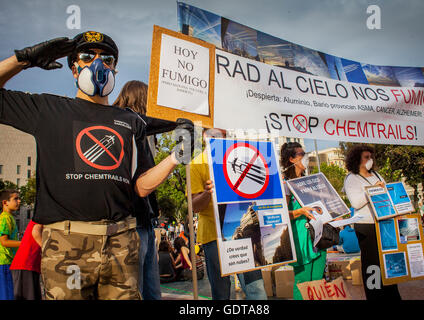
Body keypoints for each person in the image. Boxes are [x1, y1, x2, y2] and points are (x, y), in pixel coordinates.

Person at [0, 31, 194, 299]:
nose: (98, 64)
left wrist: (176, 156)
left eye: (107, 58)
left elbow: (139, 186)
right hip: (66, 246)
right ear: (73, 68)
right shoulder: (48, 109)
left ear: (114, 67)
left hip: (121, 243)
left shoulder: (131, 121)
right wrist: (23, 60)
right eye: (87, 56)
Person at [113, 80, 178, 300]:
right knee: (137, 288)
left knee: (151, 289)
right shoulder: (126, 125)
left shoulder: (142, 130)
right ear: (141, 98)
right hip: (132, 222)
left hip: (145, 221)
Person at [190, 128, 267, 300]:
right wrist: (207, 193)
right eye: (210, 134)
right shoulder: (196, 164)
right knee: (221, 292)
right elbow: (195, 207)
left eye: (220, 134)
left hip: (243, 233)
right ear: (203, 136)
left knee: (256, 290)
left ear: (225, 136)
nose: (215, 138)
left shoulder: (241, 158)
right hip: (213, 236)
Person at [343, 145, 401, 300]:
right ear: (357, 159)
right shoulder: (351, 178)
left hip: (384, 222)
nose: (370, 160)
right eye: (366, 157)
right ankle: (375, 295)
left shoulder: (377, 174)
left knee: (387, 260)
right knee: (372, 263)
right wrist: (372, 191)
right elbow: (355, 203)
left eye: (371, 157)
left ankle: (391, 293)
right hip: (366, 226)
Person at [280, 142, 327, 300]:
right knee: (303, 284)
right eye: (302, 154)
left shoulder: (310, 181)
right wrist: (300, 211)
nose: (306, 157)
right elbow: (282, 215)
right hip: (300, 240)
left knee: (318, 283)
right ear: (292, 159)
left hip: (319, 237)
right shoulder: (285, 183)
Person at [10, 220, 43, 300]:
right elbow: (35, 232)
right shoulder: (43, 215)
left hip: (30, 264)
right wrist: (47, 249)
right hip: (26, 264)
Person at [0, 189, 21, 300]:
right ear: (5, 202)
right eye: (15, 199)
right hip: (4, 263)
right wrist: (24, 243)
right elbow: (4, 242)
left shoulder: (9, 217)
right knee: (6, 296)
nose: (19, 201)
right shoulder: (5, 218)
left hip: (8, 263)